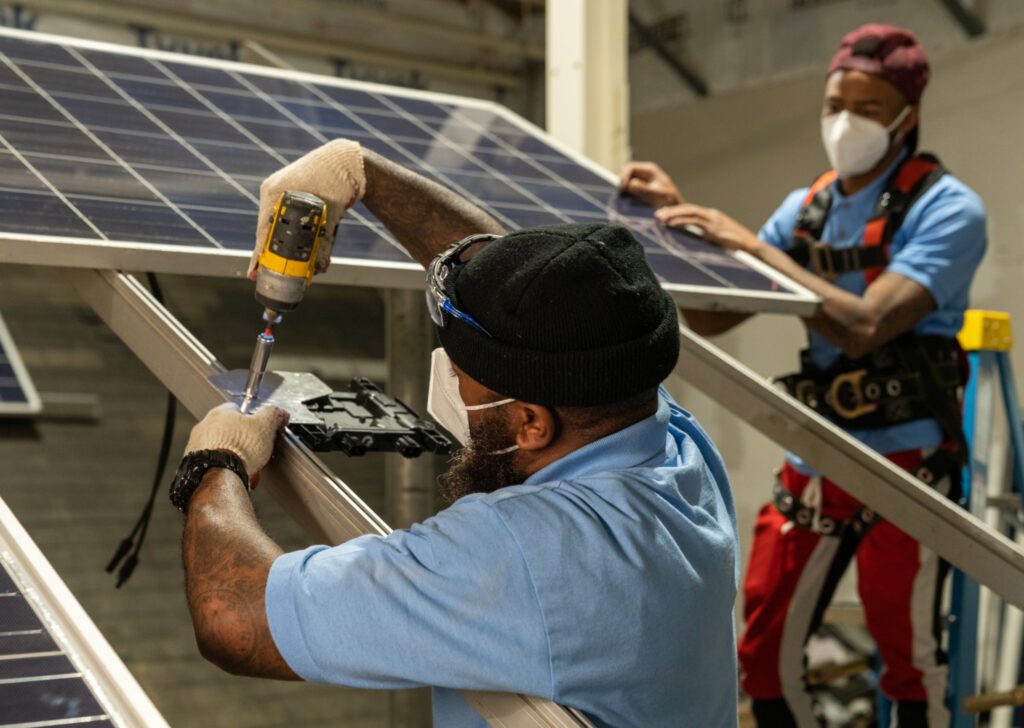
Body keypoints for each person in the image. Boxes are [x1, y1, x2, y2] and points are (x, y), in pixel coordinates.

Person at [168, 139, 741, 726]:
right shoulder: (666, 439)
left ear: (531, 423)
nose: (449, 383)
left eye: (463, 376)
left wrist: (216, 462)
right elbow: (531, 296)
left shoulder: (525, 552)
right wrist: (360, 174)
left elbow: (234, 618)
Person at [621, 23, 986, 728]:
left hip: (909, 464)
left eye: (867, 108)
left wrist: (751, 244)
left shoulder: (948, 210)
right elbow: (714, 317)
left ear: (908, 114)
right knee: (762, 651)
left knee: (908, 659)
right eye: (834, 105)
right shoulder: (809, 207)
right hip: (820, 455)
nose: (844, 122)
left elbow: (866, 324)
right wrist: (673, 221)